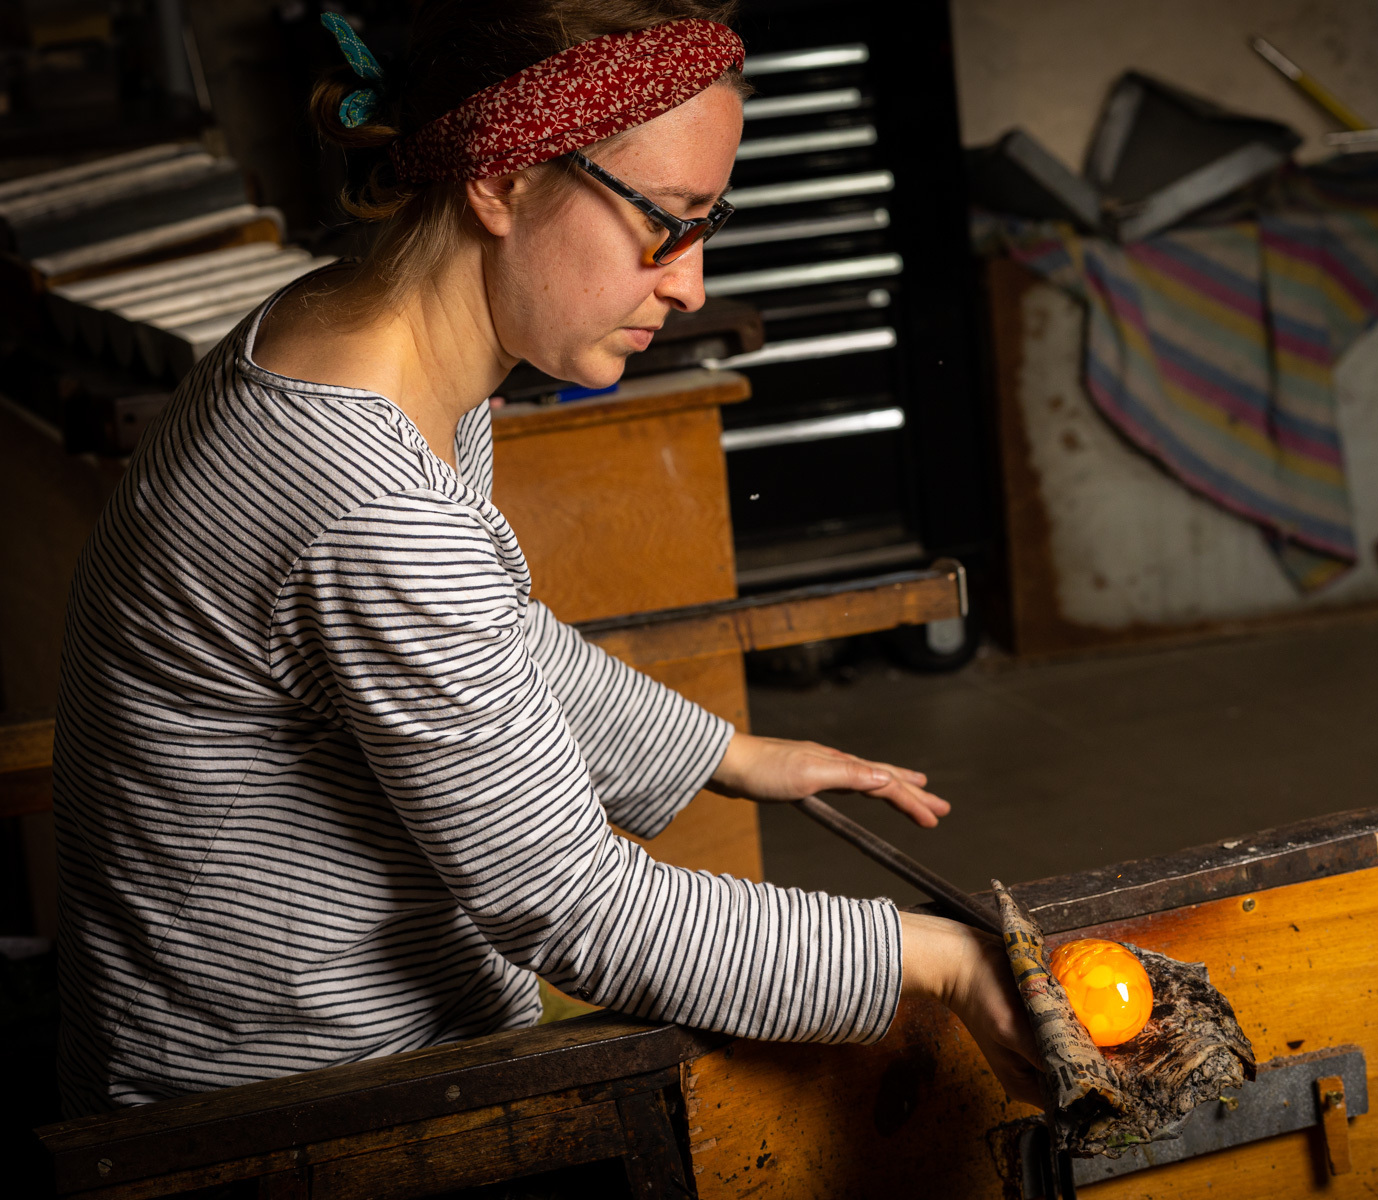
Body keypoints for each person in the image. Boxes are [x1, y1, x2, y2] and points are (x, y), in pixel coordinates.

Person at [52, 0, 1039, 1116]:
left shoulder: (346, 338)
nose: (691, 285)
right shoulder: (370, 502)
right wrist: (938, 958)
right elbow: (570, 906)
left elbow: (491, 632)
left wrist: (725, 752)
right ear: (503, 178)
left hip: (301, 1027)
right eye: (667, 221)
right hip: (294, 1097)